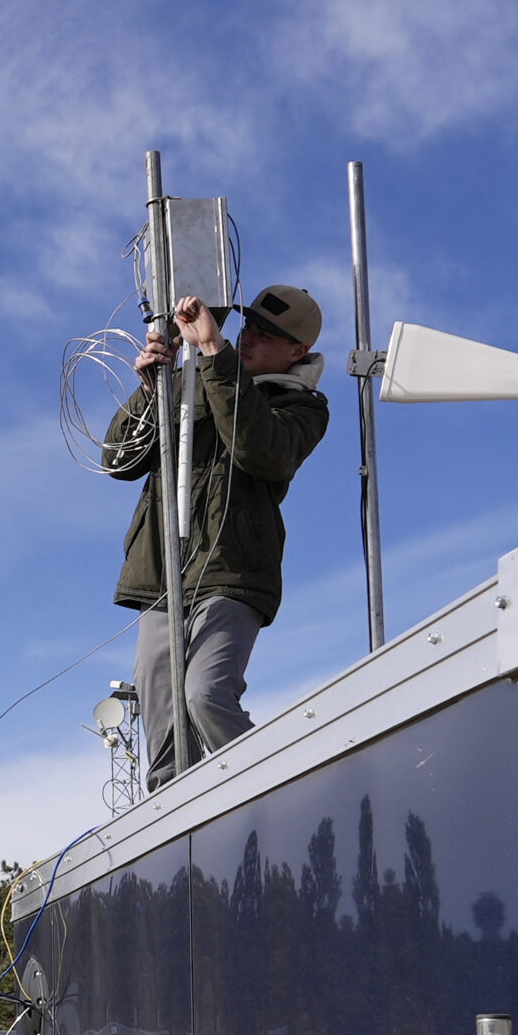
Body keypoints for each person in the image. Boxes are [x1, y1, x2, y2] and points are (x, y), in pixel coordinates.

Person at [104, 283, 331, 789]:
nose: (251, 338)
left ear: (298, 351)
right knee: (161, 711)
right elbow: (118, 462)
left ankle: (272, 792)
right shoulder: (190, 382)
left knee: (205, 694)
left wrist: (213, 352)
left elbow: (261, 450)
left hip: (233, 573)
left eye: (270, 335)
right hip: (164, 572)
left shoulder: (303, 406)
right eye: (250, 325)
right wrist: (150, 393)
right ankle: (174, 826)